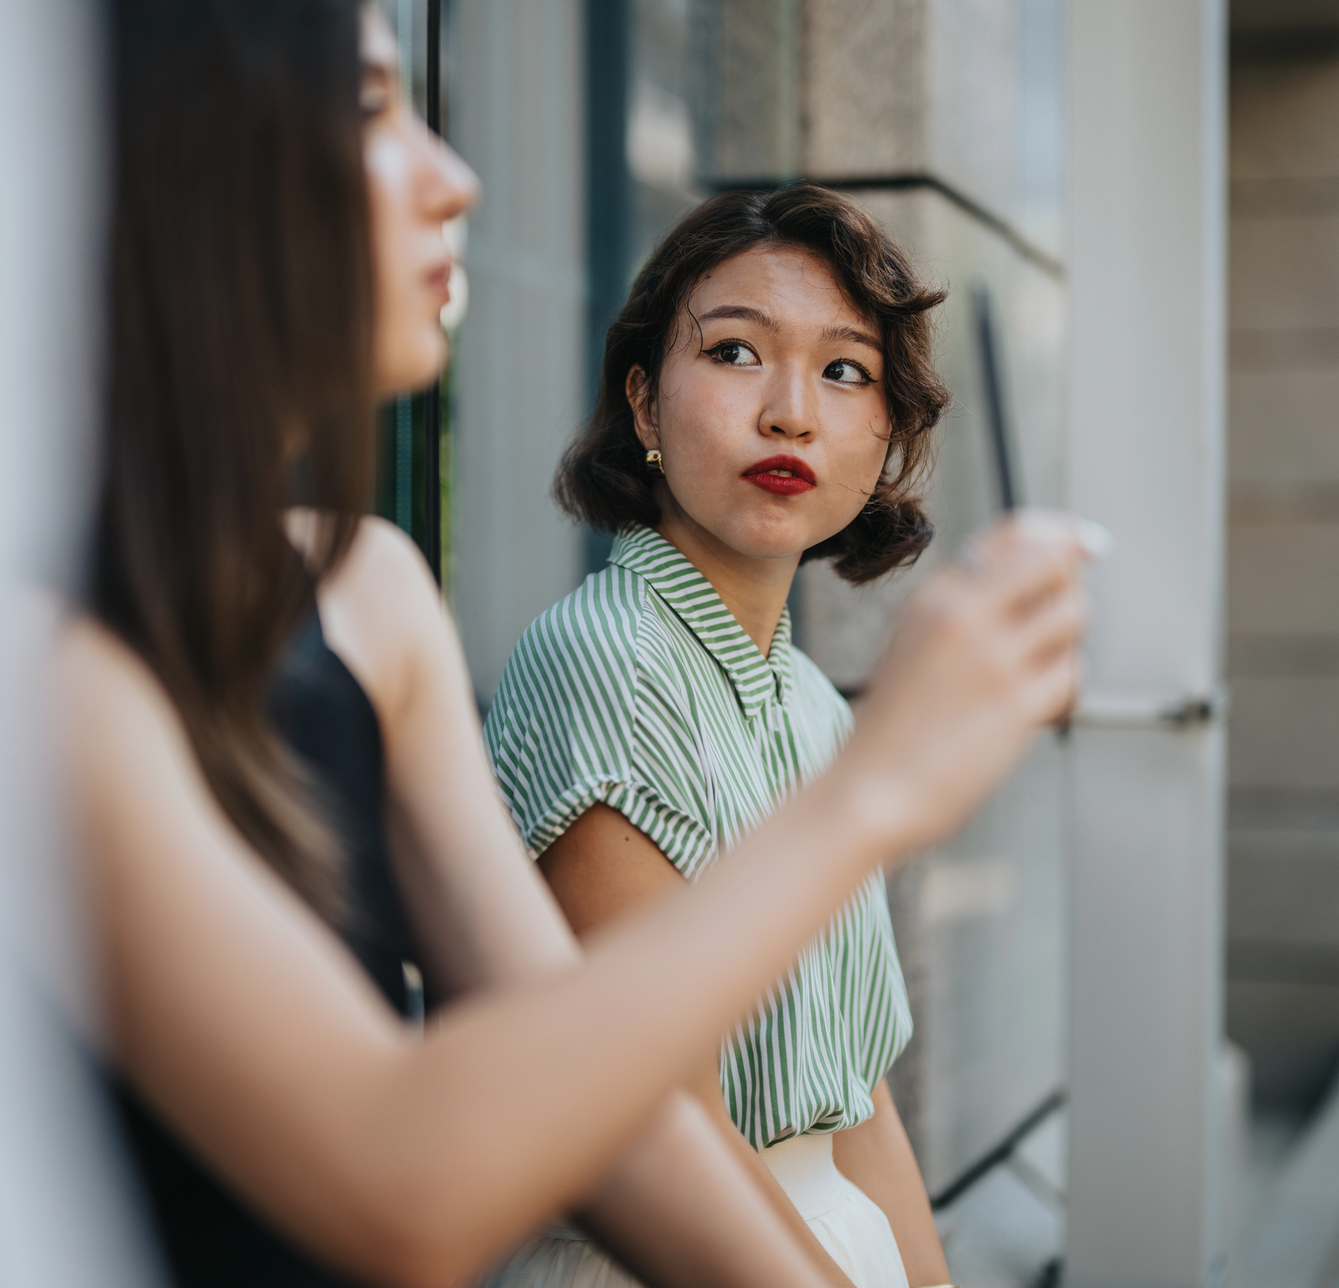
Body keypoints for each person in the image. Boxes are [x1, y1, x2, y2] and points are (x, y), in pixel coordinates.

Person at [62, 2, 1092, 1286]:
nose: (458, 178)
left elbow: (656, 1117)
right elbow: (436, 1168)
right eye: (376, 106)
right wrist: (876, 791)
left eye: (845, 373)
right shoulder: (35, 660)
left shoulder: (374, 589)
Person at [481, 187, 955, 1288]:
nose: (791, 411)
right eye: (737, 352)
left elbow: (863, 1108)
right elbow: (669, 1129)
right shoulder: (603, 663)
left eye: (844, 370)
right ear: (642, 405)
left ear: (882, 435)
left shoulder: (811, 707)